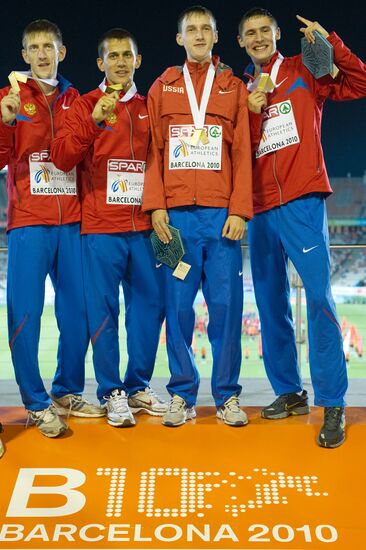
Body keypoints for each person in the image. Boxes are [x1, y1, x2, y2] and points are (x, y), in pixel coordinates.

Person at [237, 8, 366, 447]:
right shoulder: (240, 90)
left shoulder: (302, 70)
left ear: (276, 35)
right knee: (271, 306)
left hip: (302, 201)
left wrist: (332, 42)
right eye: (250, 34)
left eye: (264, 32)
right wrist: (249, 111)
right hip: (260, 210)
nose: (258, 39)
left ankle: (332, 403)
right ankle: (290, 392)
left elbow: (359, 83)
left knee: (319, 300)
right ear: (241, 42)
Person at [143, 6, 253, 427]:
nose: (199, 35)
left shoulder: (232, 88)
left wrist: (241, 209)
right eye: (192, 29)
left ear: (216, 36)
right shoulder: (163, 86)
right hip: (175, 222)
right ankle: (181, 395)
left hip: (221, 216)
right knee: (178, 308)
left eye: (206, 28)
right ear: (180, 38)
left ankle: (226, 397)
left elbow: (242, 153)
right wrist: (155, 207)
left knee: (226, 308)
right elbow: (152, 151)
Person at [51, 29, 166, 427]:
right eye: (112, 56)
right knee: (103, 314)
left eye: (127, 55)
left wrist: (159, 210)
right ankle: (111, 392)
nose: (120, 62)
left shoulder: (150, 104)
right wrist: (95, 122)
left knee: (150, 311)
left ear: (138, 60)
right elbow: (62, 158)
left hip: (147, 229)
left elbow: (160, 162)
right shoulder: (84, 104)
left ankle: (138, 387)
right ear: (100, 63)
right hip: (100, 228)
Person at [0, 20, 104, 438]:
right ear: (24, 54)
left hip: (73, 223)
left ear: (62, 52)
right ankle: (36, 402)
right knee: (25, 317)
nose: (43, 54)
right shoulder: (10, 98)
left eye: (50, 46)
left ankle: (66, 390)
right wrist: (5, 122)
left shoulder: (77, 100)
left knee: (77, 313)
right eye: (34, 47)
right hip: (29, 223)